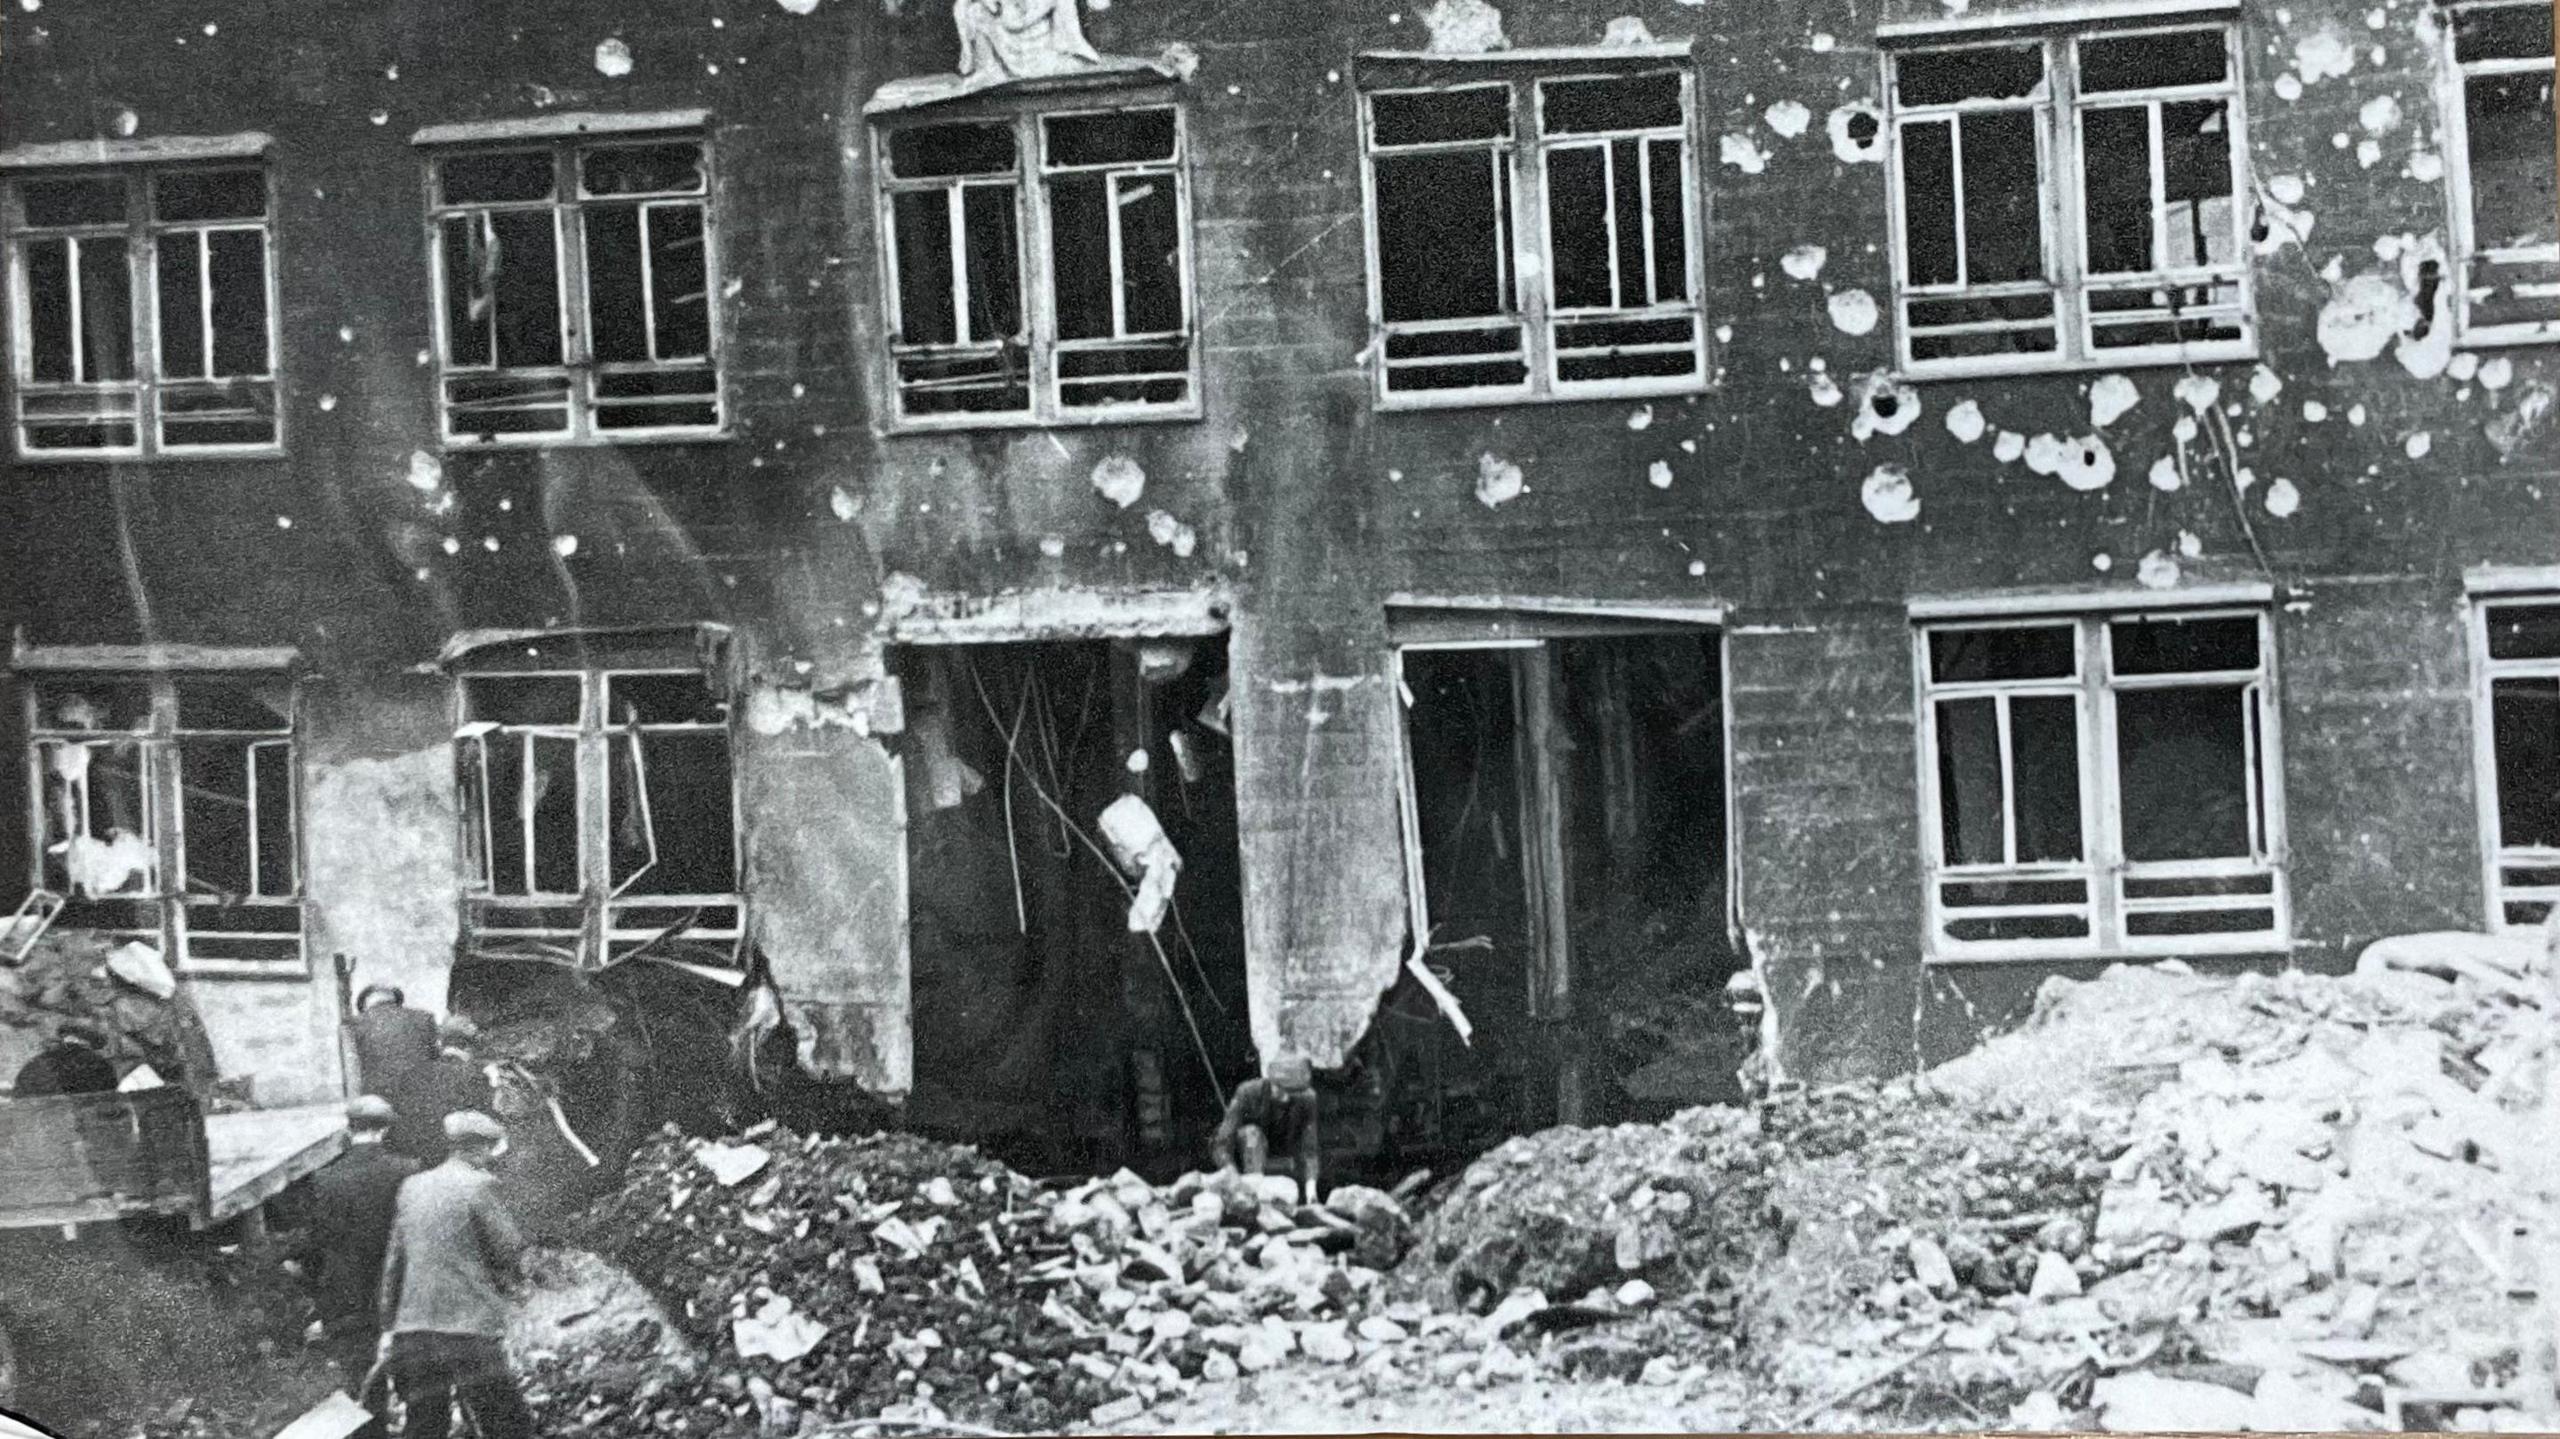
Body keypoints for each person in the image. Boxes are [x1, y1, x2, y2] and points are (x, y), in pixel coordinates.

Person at [377, 1110, 532, 1439]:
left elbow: (394, 1263)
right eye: (491, 1151)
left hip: (414, 1328)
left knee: (425, 1425)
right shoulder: (480, 1185)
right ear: (482, 1150)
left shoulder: (412, 1186)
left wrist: (390, 1324)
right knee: (507, 1423)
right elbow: (508, 1249)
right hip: (467, 1327)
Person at [294, 1096, 418, 1437]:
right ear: (387, 1129)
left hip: (348, 1298)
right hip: (400, 1294)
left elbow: (319, 1244)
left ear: (349, 1130)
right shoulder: (408, 1171)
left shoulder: (324, 1179)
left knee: (363, 1385)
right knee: (415, 1386)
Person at [1210, 1055, 1320, 1203]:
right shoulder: (1247, 1092)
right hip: (1245, 1156)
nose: (1286, 1096)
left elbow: (1310, 1149)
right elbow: (1222, 1142)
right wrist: (1231, 1174)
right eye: (1281, 1090)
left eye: (1291, 1092)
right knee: (1251, 1133)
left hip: (1283, 1155)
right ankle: (1254, 1197)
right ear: (1271, 1083)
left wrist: (1311, 1191)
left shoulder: (1307, 1099)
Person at [395, 1015, 497, 1164]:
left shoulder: (413, 1074)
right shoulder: (475, 1075)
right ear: (469, 1047)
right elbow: (482, 1124)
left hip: (418, 1160)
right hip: (457, 1160)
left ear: (441, 1043)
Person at [350, 984, 437, 1131]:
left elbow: (353, 1070)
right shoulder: (425, 1018)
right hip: (422, 1100)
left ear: (365, 1004)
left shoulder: (355, 1023)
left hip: (379, 1106)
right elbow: (434, 1059)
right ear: (396, 1001)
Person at [11, 1020, 119, 1098]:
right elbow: (110, 1096)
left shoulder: (35, 1063)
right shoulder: (100, 1064)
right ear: (91, 1042)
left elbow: (19, 1095)